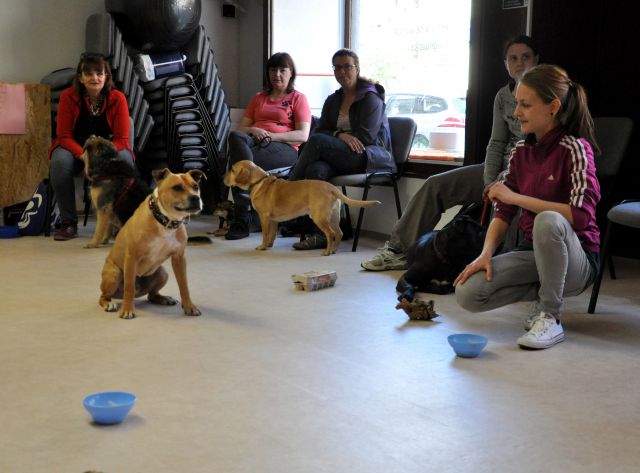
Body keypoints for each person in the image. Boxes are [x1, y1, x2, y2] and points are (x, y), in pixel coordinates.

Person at [361, 35, 540, 271]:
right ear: (506, 64)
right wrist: (489, 182)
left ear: (536, 60)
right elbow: (496, 143)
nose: (520, 63)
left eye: (525, 57)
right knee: (435, 184)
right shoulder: (502, 96)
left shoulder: (547, 94)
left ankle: (499, 264)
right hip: (497, 171)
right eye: (513, 58)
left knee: (505, 205)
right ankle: (399, 250)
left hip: (526, 174)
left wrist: (503, 182)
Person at [454, 64, 601, 350]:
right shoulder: (521, 151)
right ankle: (547, 295)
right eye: (517, 103)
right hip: (533, 252)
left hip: (578, 260)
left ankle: (550, 315)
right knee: (467, 293)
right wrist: (485, 254)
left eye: (525, 104)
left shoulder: (576, 148)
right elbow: (504, 212)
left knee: (548, 219)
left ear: (553, 107)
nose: (516, 112)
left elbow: (581, 217)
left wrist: (516, 198)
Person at [288, 48, 393, 250]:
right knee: (315, 171)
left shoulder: (371, 97)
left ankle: (288, 190)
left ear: (357, 68)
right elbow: (323, 128)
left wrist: (334, 136)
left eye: (347, 66)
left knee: (317, 141)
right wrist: (339, 135)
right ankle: (321, 234)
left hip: (368, 157)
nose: (342, 71)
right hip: (341, 155)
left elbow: (366, 137)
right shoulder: (333, 99)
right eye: (337, 67)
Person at [225, 52, 311, 240]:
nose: (277, 74)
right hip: (254, 143)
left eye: (282, 70)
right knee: (235, 136)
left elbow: (303, 135)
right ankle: (246, 215)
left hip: (285, 149)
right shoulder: (258, 98)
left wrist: (273, 136)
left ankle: (241, 218)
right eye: (273, 70)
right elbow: (242, 128)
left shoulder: (298, 98)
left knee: (238, 163)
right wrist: (254, 130)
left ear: (291, 73)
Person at [49, 52, 134, 241]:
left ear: (106, 77)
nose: (94, 77)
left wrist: (100, 159)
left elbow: (122, 139)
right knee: (59, 162)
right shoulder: (67, 97)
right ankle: (68, 222)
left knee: (126, 160)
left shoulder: (118, 98)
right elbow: (63, 136)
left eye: (99, 73)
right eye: (88, 73)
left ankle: (120, 222)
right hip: (74, 148)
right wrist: (85, 156)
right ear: (80, 78)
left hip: (108, 150)